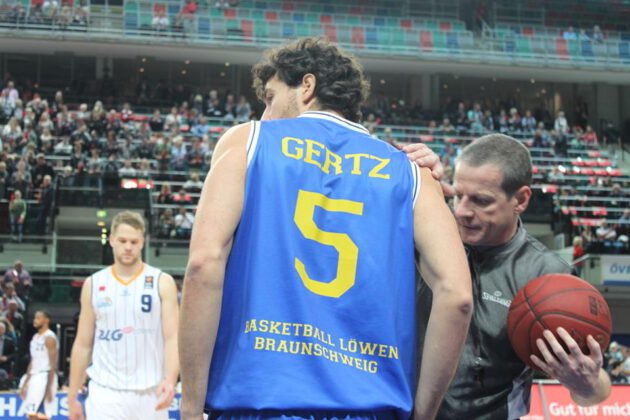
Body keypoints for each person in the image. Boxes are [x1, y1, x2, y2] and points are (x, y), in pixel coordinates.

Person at [179, 37, 473, 419]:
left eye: (269, 98)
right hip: (370, 406)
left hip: (259, 403)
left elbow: (203, 264)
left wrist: (188, 407)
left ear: (306, 86)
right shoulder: (411, 170)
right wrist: (424, 414)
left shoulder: (248, 141)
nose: (265, 115)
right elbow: (457, 297)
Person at [407, 134, 611, 418]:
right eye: (457, 195)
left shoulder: (548, 276)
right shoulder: (427, 238)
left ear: (521, 199)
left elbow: (596, 391)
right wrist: (414, 175)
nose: (462, 211)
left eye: (481, 201)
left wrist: (585, 384)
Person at [67, 211, 179, 420]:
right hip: (105, 393)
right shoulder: (93, 284)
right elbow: (83, 344)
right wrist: (72, 395)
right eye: (123, 240)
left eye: (134, 241)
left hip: (150, 392)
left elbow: (173, 338)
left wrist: (171, 379)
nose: (128, 247)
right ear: (111, 240)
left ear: (142, 242)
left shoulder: (162, 282)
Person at [19, 310, 57, 418]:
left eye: (38, 318)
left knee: (41, 415)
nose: (35, 320)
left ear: (46, 320)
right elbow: (32, 361)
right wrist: (25, 382)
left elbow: (53, 364)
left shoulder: (49, 338)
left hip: (45, 376)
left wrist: (50, 387)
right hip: (34, 376)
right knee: (32, 415)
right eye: (35, 318)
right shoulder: (35, 337)